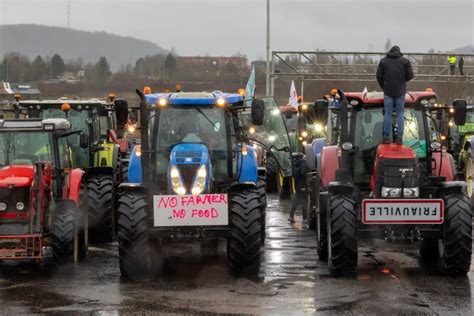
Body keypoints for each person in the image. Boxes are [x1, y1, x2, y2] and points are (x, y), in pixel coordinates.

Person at [376, 45, 414, 144]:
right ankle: (399, 138)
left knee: (387, 114)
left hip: (388, 91)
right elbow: (410, 75)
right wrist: (402, 81)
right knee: (400, 113)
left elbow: (378, 76)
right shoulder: (405, 61)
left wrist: (384, 86)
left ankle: (386, 137)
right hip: (400, 91)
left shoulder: (383, 61)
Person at [288, 153, 308, 224]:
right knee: (304, 201)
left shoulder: (294, 165)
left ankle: (291, 216)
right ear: (301, 157)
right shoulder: (303, 163)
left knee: (296, 201)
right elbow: (303, 173)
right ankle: (305, 218)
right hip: (302, 184)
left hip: (296, 185)